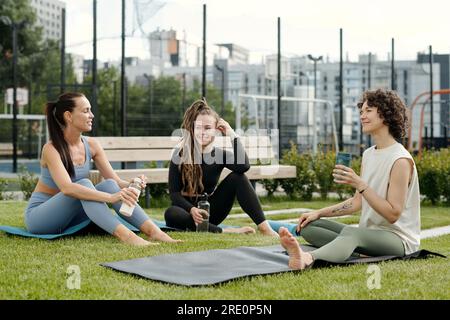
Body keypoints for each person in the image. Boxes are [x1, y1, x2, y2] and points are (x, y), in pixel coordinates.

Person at [280, 88, 420, 269]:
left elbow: (393, 214)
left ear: (386, 114)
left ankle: (307, 258)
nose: (362, 116)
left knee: (352, 234)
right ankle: (352, 247)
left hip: (399, 240)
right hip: (368, 234)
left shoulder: (400, 160)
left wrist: (361, 184)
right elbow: (356, 203)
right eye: (361, 111)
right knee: (309, 226)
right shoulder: (369, 154)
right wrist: (318, 213)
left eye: (368, 110)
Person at [25, 92, 180, 246]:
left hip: (73, 217)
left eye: (91, 110)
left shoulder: (92, 145)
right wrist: (110, 198)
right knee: (84, 184)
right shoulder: (51, 149)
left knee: (110, 184)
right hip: (42, 218)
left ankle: (155, 232)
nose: (91, 115)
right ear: (69, 116)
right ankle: (127, 236)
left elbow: (116, 182)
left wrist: (131, 185)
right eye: (86, 111)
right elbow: (67, 188)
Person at [164, 98, 278, 236]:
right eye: (199, 127)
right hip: (185, 212)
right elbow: (174, 193)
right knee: (171, 213)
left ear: (216, 130)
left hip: (210, 211)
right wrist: (192, 210)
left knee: (238, 177)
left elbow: (243, 166)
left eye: (208, 128)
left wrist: (231, 134)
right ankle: (224, 231)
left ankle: (264, 227)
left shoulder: (220, 154)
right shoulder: (180, 154)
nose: (203, 132)